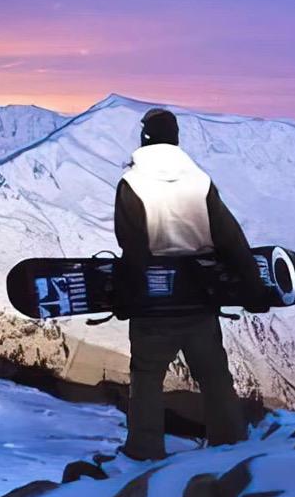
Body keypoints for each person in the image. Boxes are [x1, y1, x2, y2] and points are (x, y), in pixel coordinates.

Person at [114, 107, 269, 461]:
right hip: (199, 299)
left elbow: (132, 248)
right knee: (214, 376)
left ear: (144, 138)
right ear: (176, 139)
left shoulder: (132, 184)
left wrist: (126, 296)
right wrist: (252, 288)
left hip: (153, 305)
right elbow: (231, 239)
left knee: (147, 378)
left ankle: (144, 452)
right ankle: (230, 446)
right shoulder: (200, 181)